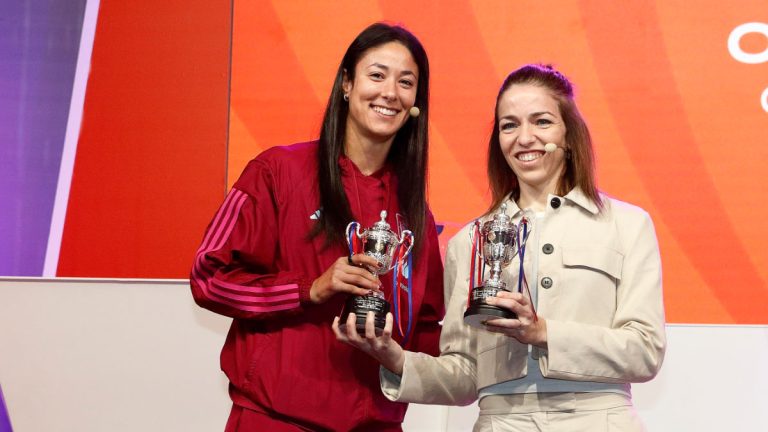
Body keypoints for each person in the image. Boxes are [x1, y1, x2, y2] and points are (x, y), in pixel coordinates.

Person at [335, 64, 666, 431]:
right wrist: (395, 358)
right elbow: (464, 374)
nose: (524, 138)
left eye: (541, 122)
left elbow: (645, 350)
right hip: (501, 421)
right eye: (509, 125)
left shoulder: (627, 224)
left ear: (569, 134)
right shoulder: (470, 241)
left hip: (598, 417)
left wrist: (543, 333)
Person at [190, 23, 445, 431]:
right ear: (347, 83)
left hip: (375, 425)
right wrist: (309, 288)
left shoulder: (417, 217)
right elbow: (209, 277)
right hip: (276, 419)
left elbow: (427, 329)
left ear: (416, 101)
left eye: (406, 82)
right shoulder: (277, 171)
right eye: (376, 75)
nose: (390, 93)